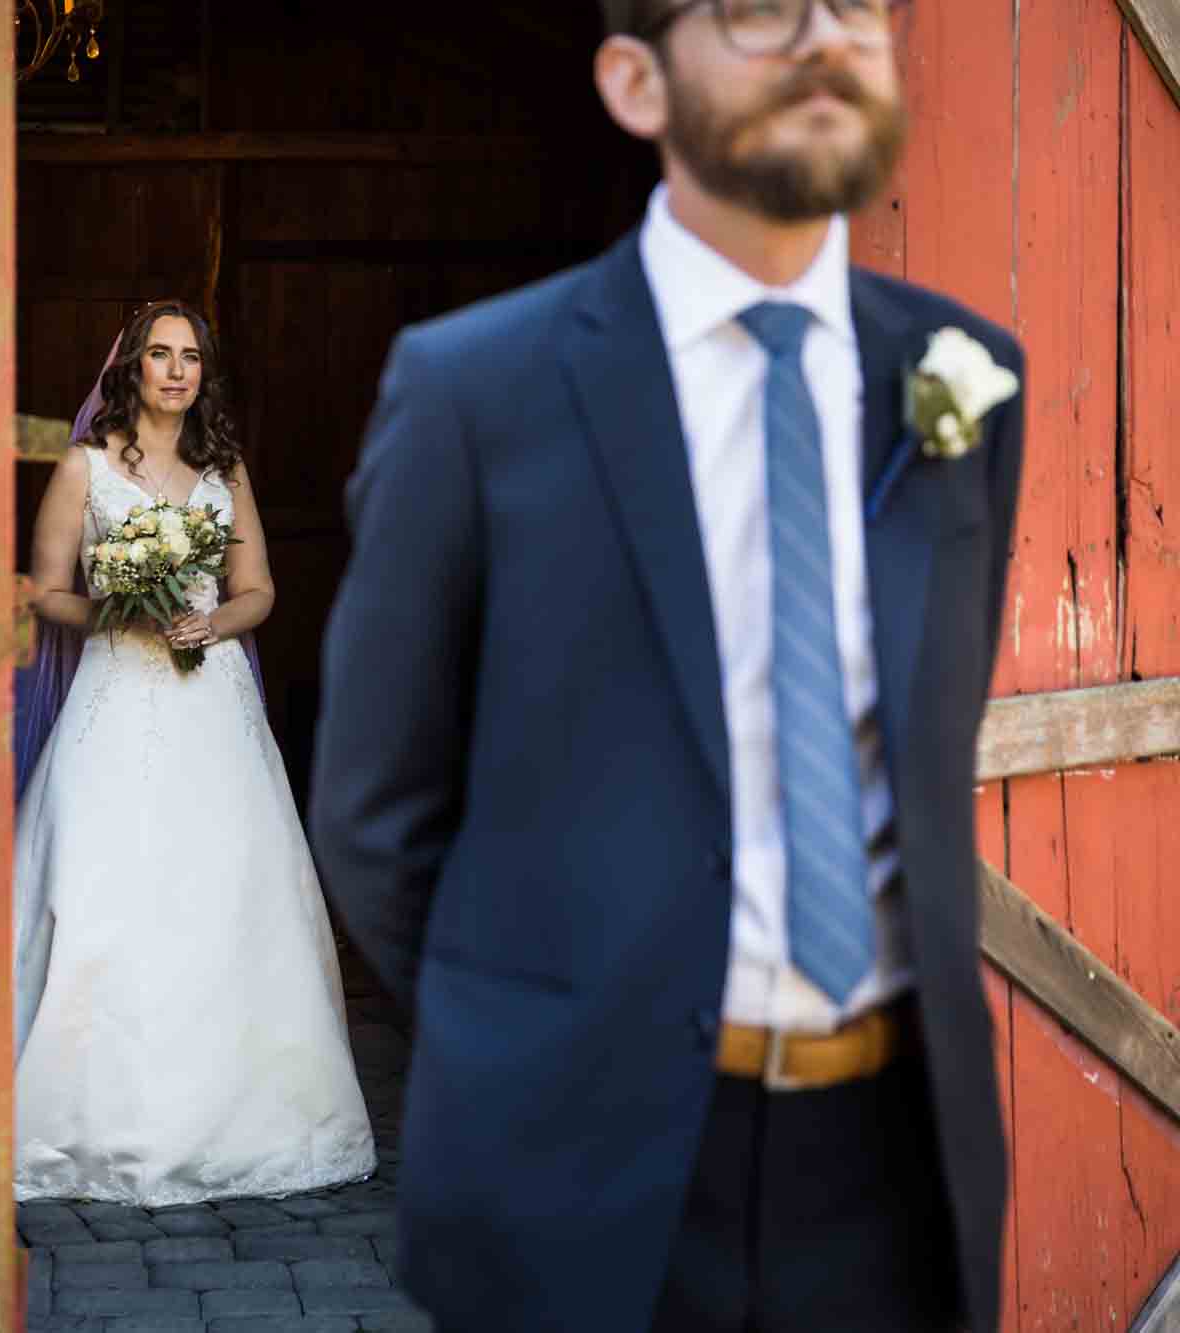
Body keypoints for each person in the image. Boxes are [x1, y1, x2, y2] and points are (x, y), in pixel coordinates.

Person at [310, 1, 1024, 1328]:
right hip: (581, 1171)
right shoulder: (475, 392)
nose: (831, 40)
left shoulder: (967, 379)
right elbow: (373, 812)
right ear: (635, 81)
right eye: (762, 9)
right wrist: (544, 1026)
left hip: (900, 1174)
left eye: (859, 7)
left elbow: (932, 736)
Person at [12, 300, 376, 1206]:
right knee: (104, 889)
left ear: (203, 376)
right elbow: (44, 590)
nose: (176, 371)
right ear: (130, 367)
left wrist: (208, 619)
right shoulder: (85, 468)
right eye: (160, 355)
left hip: (213, 702)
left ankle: (251, 1118)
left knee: (231, 892)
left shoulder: (224, 470)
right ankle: (91, 1121)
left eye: (191, 359)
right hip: (115, 696)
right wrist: (115, 607)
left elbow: (259, 589)